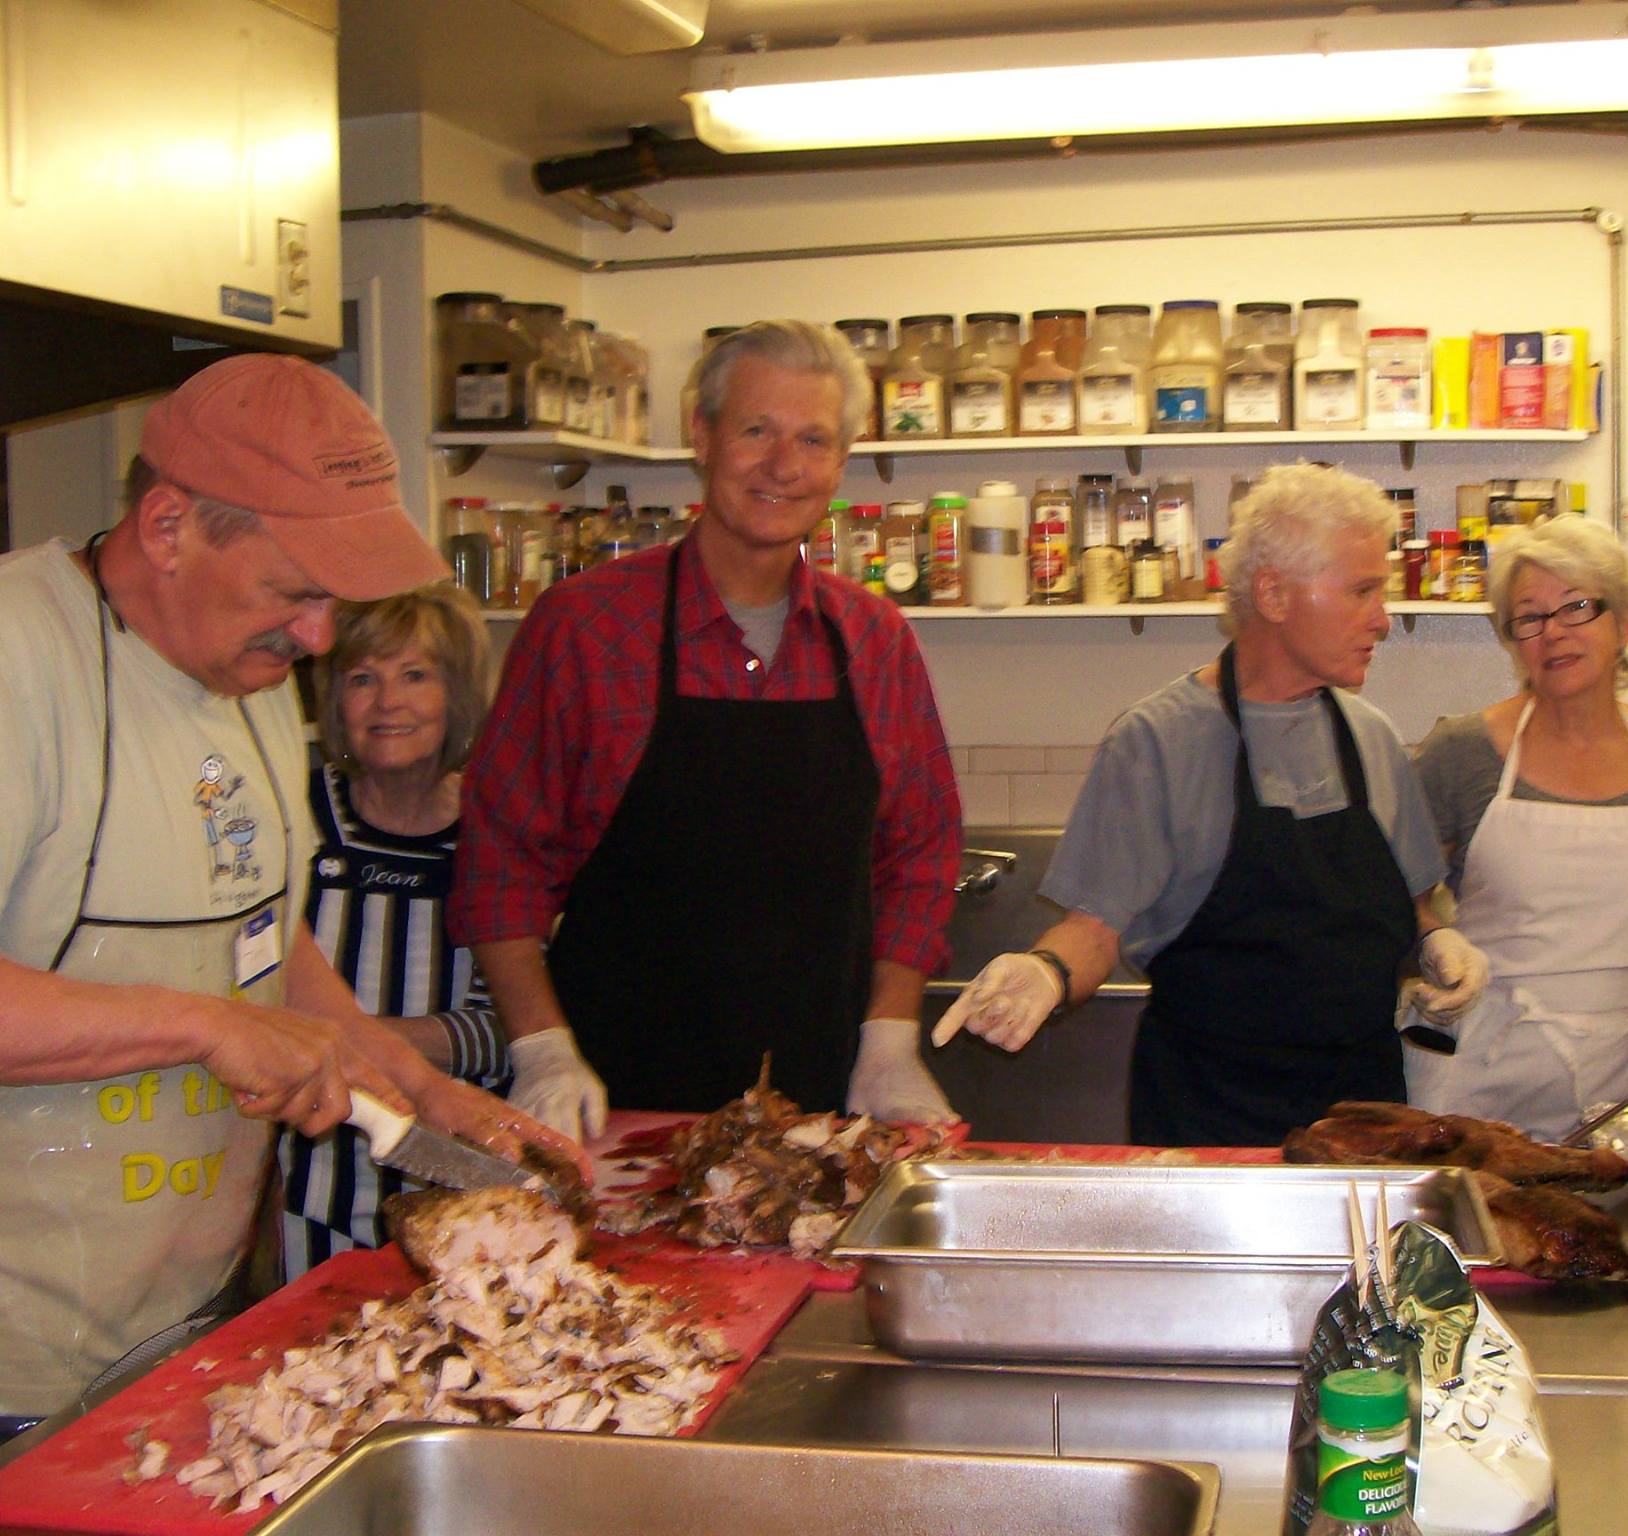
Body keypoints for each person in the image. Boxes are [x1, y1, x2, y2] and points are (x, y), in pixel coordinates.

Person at [0, 354, 584, 1430]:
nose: (320, 639)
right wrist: (202, 1026)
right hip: (16, 1356)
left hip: (187, 1317)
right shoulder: (17, 658)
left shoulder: (251, 678)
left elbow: (264, 932)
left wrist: (413, 1083)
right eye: (294, 592)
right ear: (169, 525)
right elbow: (217, 1002)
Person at [449, 320, 962, 1139]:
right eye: (756, 430)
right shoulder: (585, 627)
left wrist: (890, 1041)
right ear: (702, 435)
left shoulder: (874, 638)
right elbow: (499, 859)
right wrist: (542, 1049)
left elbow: (923, 853)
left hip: (826, 1101)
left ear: (839, 461)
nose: (783, 466)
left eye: (813, 439)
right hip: (615, 1102)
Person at [931, 464, 1487, 1147]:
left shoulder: (1370, 735)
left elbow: (1412, 898)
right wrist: (1042, 971)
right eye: (1362, 591)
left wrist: (1436, 939)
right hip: (1210, 1123)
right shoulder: (1157, 742)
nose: (1383, 619)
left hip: (1363, 1124)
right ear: (1275, 594)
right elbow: (1094, 930)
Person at [1404, 516, 1628, 1140]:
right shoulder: (1462, 751)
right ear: (1513, 640)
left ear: (1623, 624)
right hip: (1480, 1071)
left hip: (1620, 1076)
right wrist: (1433, 939)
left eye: (1577, 607)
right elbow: (1398, 897)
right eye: (1530, 617)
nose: (1554, 633)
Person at [278, 585, 512, 1280]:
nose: (387, 704)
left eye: (416, 675)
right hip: (314, 1178)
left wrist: (350, 1043)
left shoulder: (496, 828)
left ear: (459, 695)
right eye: (362, 679)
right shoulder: (293, 810)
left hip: (465, 1178)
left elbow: (507, 1026)